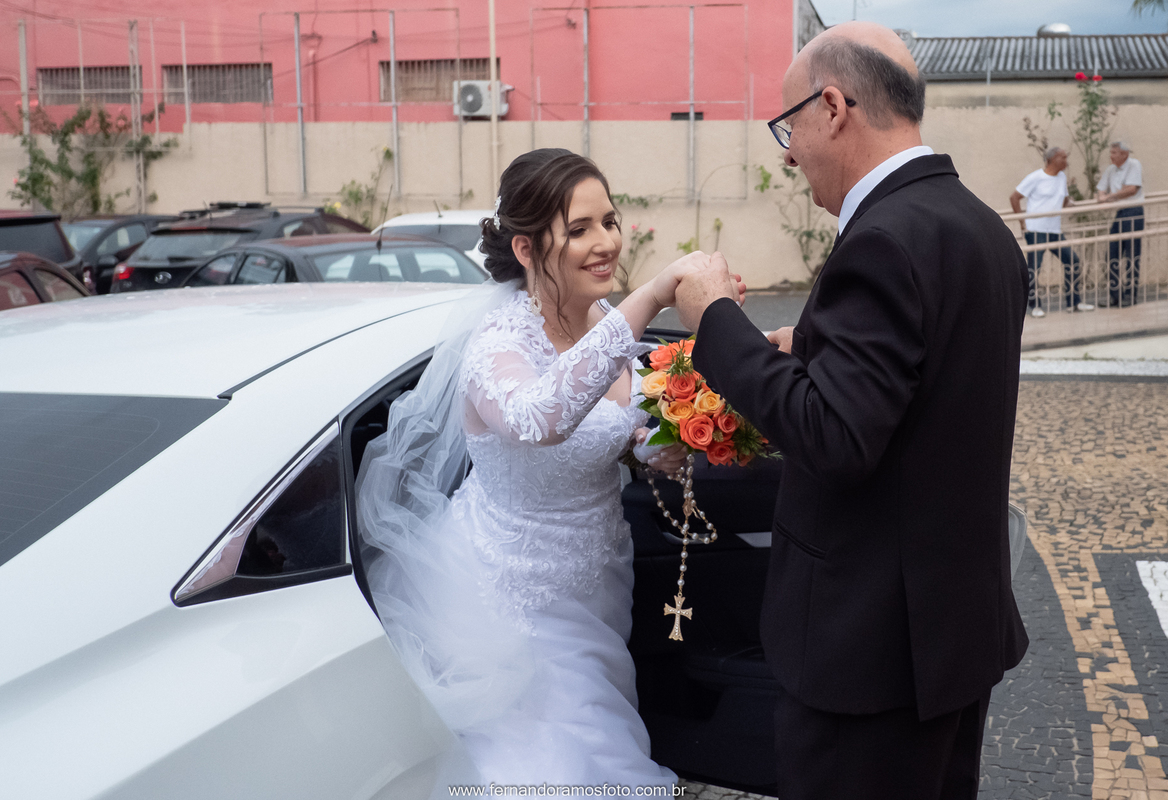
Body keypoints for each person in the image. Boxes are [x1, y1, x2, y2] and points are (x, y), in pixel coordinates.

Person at [672, 23, 1029, 800]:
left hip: (870, 653)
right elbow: (932, 389)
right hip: (951, 635)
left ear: (833, 106)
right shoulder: (978, 229)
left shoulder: (883, 241)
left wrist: (715, 324)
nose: (787, 153)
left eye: (788, 126)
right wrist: (816, 345)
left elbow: (834, 438)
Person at [357, 148, 744, 795]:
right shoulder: (499, 345)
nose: (606, 243)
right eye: (581, 229)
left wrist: (662, 442)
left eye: (610, 221)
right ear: (529, 249)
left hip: (598, 584)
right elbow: (540, 420)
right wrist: (651, 295)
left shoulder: (600, 325)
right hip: (511, 605)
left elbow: (613, 434)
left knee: (601, 738)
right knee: (558, 763)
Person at [1010, 147, 1092, 315]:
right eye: (1063, 157)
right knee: (1034, 268)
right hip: (1036, 230)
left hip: (1054, 231)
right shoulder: (1035, 178)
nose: (1066, 160)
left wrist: (1070, 202)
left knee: (1072, 261)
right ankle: (1035, 306)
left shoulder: (1062, 177)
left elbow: (1062, 200)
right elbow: (1014, 197)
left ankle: (1073, 303)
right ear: (1052, 159)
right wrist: (1022, 223)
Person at [1096, 140, 1145, 307]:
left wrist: (1109, 197)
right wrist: (1106, 196)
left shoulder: (1133, 165)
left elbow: (1132, 189)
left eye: (1114, 153)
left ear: (1124, 154)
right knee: (1111, 255)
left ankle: (1130, 296)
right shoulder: (1111, 170)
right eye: (1111, 152)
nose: (1111, 156)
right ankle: (1115, 296)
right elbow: (1101, 189)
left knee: (1132, 255)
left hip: (1133, 212)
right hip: (1120, 213)